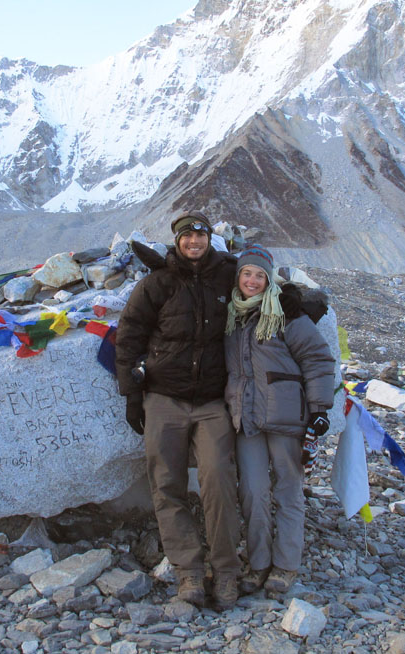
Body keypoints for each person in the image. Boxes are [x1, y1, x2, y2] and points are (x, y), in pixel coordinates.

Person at [115, 210, 242, 610]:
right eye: (187, 236)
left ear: (209, 239)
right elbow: (129, 337)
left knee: (218, 481)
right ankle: (188, 570)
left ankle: (225, 571)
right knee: (166, 483)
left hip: (210, 401)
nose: (194, 242)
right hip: (164, 398)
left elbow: (264, 289)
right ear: (177, 240)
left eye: (200, 235)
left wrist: (298, 302)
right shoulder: (158, 283)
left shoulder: (228, 275)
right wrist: (132, 395)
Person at [223, 245, 341, 595]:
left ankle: (286, 565)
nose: (253, 281)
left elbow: (318, 360)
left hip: (287, 415)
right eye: (247, 274)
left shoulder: (287, 313)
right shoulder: (232, 317)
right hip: (246, 418)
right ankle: (258, 563)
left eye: (260, 275)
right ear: (238, 277)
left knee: (288, 489)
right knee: (253, 491)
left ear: (269, 279)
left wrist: (320, 409)